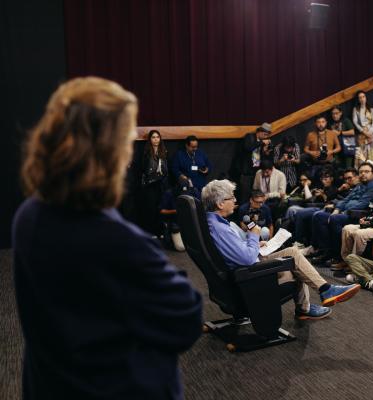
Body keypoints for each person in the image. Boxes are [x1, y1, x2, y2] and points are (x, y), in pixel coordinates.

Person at [13, 77, 203, 399]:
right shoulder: (119, 241)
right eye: (126, 139)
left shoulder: (28, 216)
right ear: (107, 150)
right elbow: (186, 318)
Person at [202, 179, 361, 320]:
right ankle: (321, 294)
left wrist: (255, 245)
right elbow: (247, 259)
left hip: (242, 271)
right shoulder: (219, 228)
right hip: (248, 276)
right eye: (231, 197)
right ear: (220, 203)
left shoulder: (214, 223)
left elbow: (234, 251)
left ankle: (313, 301)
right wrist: (253, 236)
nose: (235, 200)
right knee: (294, 260)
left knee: (293, 254)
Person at [310, 162, 373, 264]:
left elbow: (362, 204)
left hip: (361, 216)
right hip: (347, 212)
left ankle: (337, 256)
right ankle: (325, 251)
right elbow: (345, 200)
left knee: (335, 219)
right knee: (319, 216)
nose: (363, 174)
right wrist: (337, 210)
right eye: (361, 172)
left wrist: (342, 211)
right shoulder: (360, 185)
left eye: (366, 172)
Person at [139, 129, 169, 236]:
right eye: (153, 137)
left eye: (157, 137)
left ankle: (160, 231)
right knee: (150, 209)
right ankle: (151, 232)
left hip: (161, 184)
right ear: (150, 139)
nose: (156, 139)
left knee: (160, 208)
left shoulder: (163, 151)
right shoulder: (146, 152)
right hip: (150, 184)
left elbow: (166, 170)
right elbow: (143, 169)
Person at [238, 123, 274, 201]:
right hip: (246, 173)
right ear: (259, 131)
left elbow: (259, 157)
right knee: (245, 196)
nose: (266, 137)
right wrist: (261, 143)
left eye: (267, 135)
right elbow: (248, 148)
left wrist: (265, 152)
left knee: (256, 196)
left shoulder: (261, 142)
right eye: (265, 134)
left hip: (257, 172)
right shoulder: (249, 137)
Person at [303, 115, 341, 179]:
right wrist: (312, 152)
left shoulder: (332, 133)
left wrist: (331, 151)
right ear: (315, 123)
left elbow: (339, 147)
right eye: (318, 122)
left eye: (323, 122)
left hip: (329, 164)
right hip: (315, 164)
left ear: (326, 122)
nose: (321, 124)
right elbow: (305, 149)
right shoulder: (310, 135)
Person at [352, 91, 373, 167]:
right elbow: (355, 122)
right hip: (361, 133)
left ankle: (372, 169)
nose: (362, 99)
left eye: (363, 97)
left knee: (372, 152)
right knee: (362, 153)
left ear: (366, 98)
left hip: (371, 133)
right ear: (358, 99)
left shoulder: (371, 109)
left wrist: (370, 133)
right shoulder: (356, 109)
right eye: (360, 97)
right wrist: (363, 131)